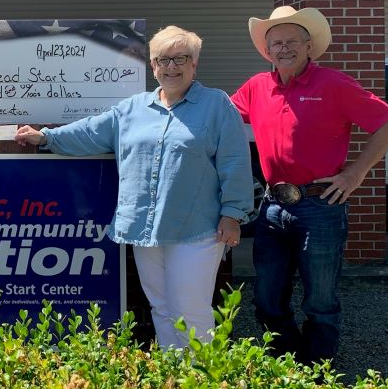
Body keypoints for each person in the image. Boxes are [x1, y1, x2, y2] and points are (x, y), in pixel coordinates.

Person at [16, 26, 252, 349]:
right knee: (161, 306)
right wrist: (46, 137)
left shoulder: (217, 106)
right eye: (162, 60)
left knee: (191, 309)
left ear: (194, 63)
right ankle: (173, 376)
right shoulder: (132, 109)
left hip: (197, 229)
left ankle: (203, 381)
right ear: (152, 66)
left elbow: (235, 161)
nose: (171, 67)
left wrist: (233, 213)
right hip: (145, 229)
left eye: (180, 58)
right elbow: (90, 132)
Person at [232, 6, 388, 364]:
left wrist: (354, 174)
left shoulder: (334, 84)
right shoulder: (256, 87)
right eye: (275, 42)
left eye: (292, 40)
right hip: (272, 206)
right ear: (267, 50)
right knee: (267, 294)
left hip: (320, 204)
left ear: (310, 47)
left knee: (320, 298)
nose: (283, 48)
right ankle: (288, 359)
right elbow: (218, 118)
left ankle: (319, 368)